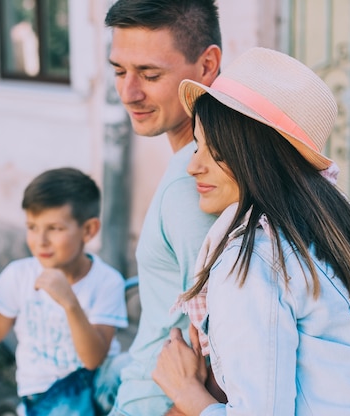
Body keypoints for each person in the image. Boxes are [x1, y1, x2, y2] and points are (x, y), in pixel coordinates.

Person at [152, 47, 350, 415]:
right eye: (198, 146)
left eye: (216, 151)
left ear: (258, 157)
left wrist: (185, 391)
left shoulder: (252, 259)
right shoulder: (339, 228)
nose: (193, 166)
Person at [0, 167, 128, 416]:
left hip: (98, 378)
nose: (40, 240)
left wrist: (70, 303)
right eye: (32, 227)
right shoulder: (19, 274)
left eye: (54, 228)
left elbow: (93, 360)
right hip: (47, 392)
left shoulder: (107, 281)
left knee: (138, 369)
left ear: (88, 230)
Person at [104, 0, 222, 414]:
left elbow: (225, 351)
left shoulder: (198, 184)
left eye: (150, 74)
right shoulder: (197, 164)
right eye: (119, 71)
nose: (128, 92)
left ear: (207, 66)